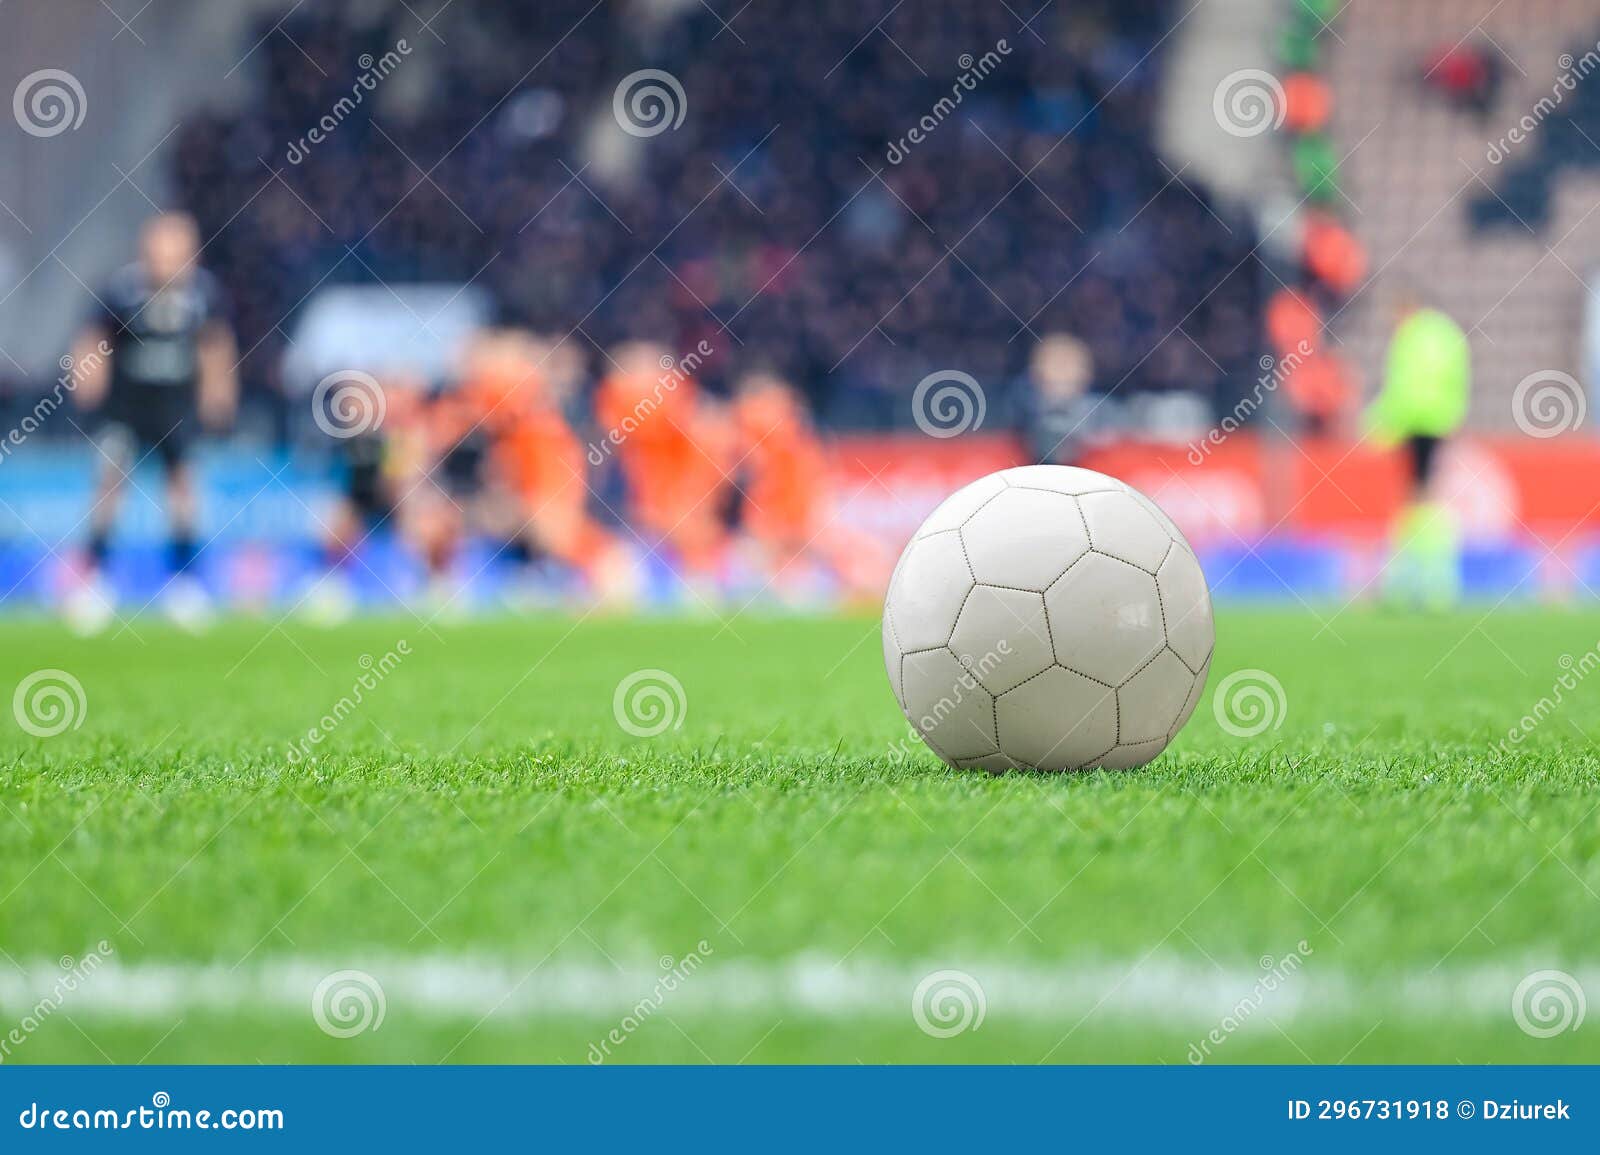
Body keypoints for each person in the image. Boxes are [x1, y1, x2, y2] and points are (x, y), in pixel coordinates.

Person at [66, 212, 238, 633]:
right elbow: (94, 338)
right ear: (148, 251)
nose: (170, 261)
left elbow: (215, 344)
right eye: (163, 251)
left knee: (182, 487)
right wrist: (88, 374)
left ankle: (184, 582)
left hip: (175, 407)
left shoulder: (203, 294)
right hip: (127, 406)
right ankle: (95, 580)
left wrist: (220, 389)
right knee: (110, 485)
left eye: (180, 252)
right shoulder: (123, 290)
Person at [1366, 284, 1470, 609]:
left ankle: (1417, 582)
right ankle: (1433, 583)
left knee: (1417, 500)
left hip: (1416, 423)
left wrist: (1380, 424)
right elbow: (1458, 378)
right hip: (1441, 421)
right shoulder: (1446, 332)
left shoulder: (1410, 337)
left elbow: (1404, 388)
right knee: (1426, 496)